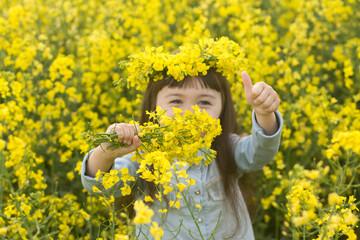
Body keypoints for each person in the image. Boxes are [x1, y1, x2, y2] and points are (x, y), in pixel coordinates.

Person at [81, 38, 283, 239]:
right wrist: (107, 151)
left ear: (222, 109)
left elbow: (260, 153)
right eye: (176, 101)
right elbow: (99, 185)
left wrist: (265, 113)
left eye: (204, 102)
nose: (190, 112)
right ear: (153, 107)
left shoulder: (227, 148)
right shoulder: (142, 154)